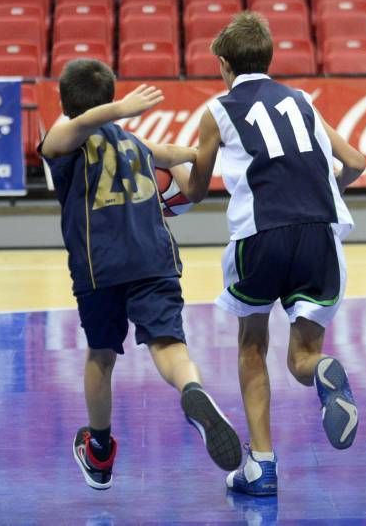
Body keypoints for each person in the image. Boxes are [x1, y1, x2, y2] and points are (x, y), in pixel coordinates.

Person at [176, 12, 366, 496]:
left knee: (252, 345)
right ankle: (322, 374)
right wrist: (326, 192)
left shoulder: (218, 110)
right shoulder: (302, 99)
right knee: (304, 354)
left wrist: (164, 182)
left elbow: (196, 189)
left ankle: (261, 466)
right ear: (269, 57)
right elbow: (357, 163)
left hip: (261, 236)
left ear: (222, 63)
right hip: (320, 233)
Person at [38, 58, 242, 491]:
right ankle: (192, 389)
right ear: (111, 100)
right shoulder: (129, 140)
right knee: (169, 347)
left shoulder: (63, 141)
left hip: (101, 265)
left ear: (64, 102)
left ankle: (99, 448)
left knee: (100, 356)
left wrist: (195, 152)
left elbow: (153, 150)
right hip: (154, 258)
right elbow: (157, 151)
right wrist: (129, 115)